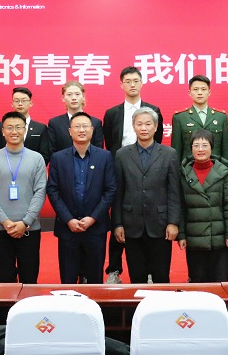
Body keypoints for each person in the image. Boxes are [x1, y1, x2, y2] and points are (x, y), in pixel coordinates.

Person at [102, 66, 164, 284]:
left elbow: (158, 141)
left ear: (142, 83)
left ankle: (149, 271)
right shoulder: (112, 113)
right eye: (127, 81)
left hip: (147, 169)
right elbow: (110, 143)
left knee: (144, 218)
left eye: (136, 80)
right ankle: (114, 269)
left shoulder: (153, 110)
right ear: (121, 84)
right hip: (120, 169)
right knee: (119, 217)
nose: (132, 84)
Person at [113, 107, 182, 284]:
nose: (143, 128)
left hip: (160, 225)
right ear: (133, 126)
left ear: (156, 126)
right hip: (131, 224)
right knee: (136, 277)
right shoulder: (122, 155)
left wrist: (173, 222)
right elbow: (118, 192)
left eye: (148, 124)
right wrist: (118, 224)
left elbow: (174, 191)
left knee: (161, 276)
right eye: (139, 124)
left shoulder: (169, 154)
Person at [47, 112, 116, 284]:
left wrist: (93, 218)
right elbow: (53, 190)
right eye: (77, 126)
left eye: (85, 126)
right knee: (68, 280)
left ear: (92, 130)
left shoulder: (105, 157)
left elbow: (110, 190)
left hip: (95, 228)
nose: (81, 130)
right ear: (70, 131)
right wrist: (68, 219)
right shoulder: (58, 158)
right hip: (67, 228)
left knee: (95, 280)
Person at [0, 111, 47, 283]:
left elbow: (40, 191)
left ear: (25, 130)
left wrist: (25, 222)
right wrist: (5, 221)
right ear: (2, 131)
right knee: (4, 280)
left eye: (18, 127)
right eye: (9, 128)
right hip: (0, 229)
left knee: (29, 280)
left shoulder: (37, 158)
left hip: (29, 229)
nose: (14, 131)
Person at [177, 129, 228, 283]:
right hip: (194, 239)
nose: (200, 149)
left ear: (212, 148)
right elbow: (180, 207)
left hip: (219, 239)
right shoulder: (183, 174)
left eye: (205, 145)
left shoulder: (223, 172)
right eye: (196, 145)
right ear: (191, 148)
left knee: (219, 283)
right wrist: (181, 235)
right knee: (198, 284)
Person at [171, 75, 228, 162]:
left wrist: (227, 167)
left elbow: (226, 150)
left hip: (216, 167)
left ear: (209, 92)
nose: (199, 93)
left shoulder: (221, 117)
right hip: (189, 167)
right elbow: (176, 150)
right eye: (195, 89)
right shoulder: (180, 117)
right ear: (189, 93)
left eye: (203, 89)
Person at [0, 87, 50, 164]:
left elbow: (44, 156)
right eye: (17, 101)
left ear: (31, 103)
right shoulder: (0, 126)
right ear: (12, 103)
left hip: (31, 169)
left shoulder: (40, 128)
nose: (20, 104)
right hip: (5, 168)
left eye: (24, 101)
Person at [48, 81, 103, 156]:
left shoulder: (95, 122)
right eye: (69, 94)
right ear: (63, 98)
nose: (74, 98)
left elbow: (99, 152)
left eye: (77, 94)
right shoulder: (55, 123)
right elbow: (52, 151)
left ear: (83, 97)